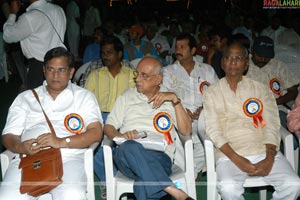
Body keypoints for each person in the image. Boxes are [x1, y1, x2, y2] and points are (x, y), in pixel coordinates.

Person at [0, 47, 103, 200]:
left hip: (69, 157)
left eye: (61, 70)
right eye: (51, 69)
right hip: (28, 159)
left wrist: (61, 142)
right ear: (44, 70)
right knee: (8, 197)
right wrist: (21, 146)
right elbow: (9, 135)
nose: (55, 75)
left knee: (72, 195)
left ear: (71, 72)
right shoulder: (25, 98)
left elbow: (96, 132)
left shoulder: (84, 97)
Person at [203, 42, 300, 200]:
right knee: (228, 189)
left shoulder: (261, 90)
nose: (233, 62)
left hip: (263, 150)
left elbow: (272, 125)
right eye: (228, 58)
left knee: (293, 184)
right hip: (229, 155)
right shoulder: (211, 92)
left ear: (246, 64)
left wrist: (269, 158)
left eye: (238, 58)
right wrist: (238, 159)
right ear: (222, 62)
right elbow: (213, 130)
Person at [104, 56, 194, 200]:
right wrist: (120, 136)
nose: (137, 79)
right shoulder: (127, 97)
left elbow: (186, 131)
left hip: (160, 157)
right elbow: (108, 126)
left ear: (158, 79)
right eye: (137, 74)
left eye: (144, 75)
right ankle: (174, 191)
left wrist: (175, 101)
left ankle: (166, 190)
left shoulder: (170, 98)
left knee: (143, 181)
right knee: (130, 147)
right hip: (127, 156)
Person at [84, 35, 135, 199]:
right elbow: (87, 102)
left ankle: (115, 182)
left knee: (129, 147)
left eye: (109, 52)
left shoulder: (132, 75)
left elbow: (138, 101)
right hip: (101, 115)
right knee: (93, 147)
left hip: (125, 116)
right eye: (103, 52)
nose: (105, 56)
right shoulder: (95, 75)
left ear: (120, 54)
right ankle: (110, 181)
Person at [163, 33, 218, 178]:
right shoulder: (168, 71)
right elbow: (165, 94)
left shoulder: (207, 70)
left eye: (182, 47)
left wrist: (204, 108)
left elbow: (217, 93)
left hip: (204, 114)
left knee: (207, 133)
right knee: (177, 136)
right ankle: (189, 171)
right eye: (176, 47)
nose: (177, 50)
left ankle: (192, 171)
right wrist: (182, 109)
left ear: (193, 51)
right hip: (179, 114)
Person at [3, 0, 66, 89]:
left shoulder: (30, 17)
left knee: (37, 99)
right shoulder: (59, 10)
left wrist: (12, 14)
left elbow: (7, 36)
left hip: (39, 68)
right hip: (60, 63)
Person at [246, 36, 299, 127]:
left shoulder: (278, 66)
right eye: (259, 55)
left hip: (275, 109)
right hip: (246, 109)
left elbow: (293, 91)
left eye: (267, 57)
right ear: (252, 50)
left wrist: (274, 102)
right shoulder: (243, 64)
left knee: (287, 131)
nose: (263, 59)